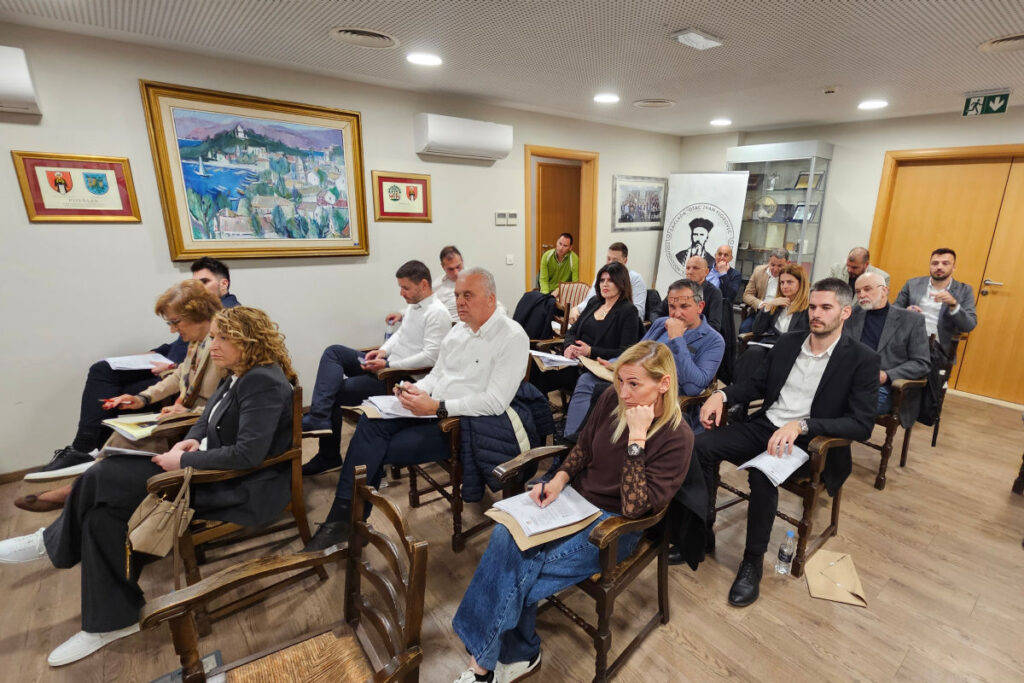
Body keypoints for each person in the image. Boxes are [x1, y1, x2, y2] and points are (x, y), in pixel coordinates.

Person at [0, 306, 297, 667]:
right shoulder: (238, 373)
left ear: (248, 341)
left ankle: (50, 544)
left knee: (102, 476)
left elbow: (249, 455)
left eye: (222, 338)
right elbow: (206, 420)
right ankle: (112, 622)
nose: (213, 345)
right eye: (213, 337)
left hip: (241, 486)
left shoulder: (261, 380)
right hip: (209, 470)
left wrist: (182, 462)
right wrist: (188, 441)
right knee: (100, 516)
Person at [450, 341, 692, 683]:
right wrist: (558, 479)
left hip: (614, 526)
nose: (624, 392)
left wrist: (637, 439)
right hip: (575, 502)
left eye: (634, 384)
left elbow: (634, 508)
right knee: (506, 533)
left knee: (517, 567)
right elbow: (583, 448)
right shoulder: (611, 399)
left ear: (664, 383)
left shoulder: (678, 436)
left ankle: (488, 664)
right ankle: (513, 654)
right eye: (620, 381)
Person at [303, 268, 529, 550]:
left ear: (491, 299)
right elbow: (437, 374)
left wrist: (438, 406)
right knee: (370, 423)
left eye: (468, 295)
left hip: (463, 425)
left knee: (375, 447)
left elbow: (495, 402)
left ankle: (348, 523)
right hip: (433, 409)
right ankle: (345, 520)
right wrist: (416, 389)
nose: (459, 302)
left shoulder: (511, 336)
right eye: (457, 295)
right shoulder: (458, 331)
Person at [691, 279, 878, 607]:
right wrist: (721, 395)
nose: (816, 314)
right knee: (700, 445)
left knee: (763, 475)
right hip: (766, 425)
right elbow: (756, 385)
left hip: (808, 440)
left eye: (826, 308)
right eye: (813, 307)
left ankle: (752, 563)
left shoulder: (862, 358)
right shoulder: (790, 342)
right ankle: (702, 531)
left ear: (845, 312)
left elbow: (862, 425)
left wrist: (804, 424)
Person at [16, 280, 228, 512]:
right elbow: (180, 375)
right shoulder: (198, 341)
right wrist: (142, 398)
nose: (172, 330)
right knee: (124, 433)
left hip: (202, 423)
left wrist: (190, 411)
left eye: (175, 322)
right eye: (170, 323)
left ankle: (78, 490)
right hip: (188, 416)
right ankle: (83, 488)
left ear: (198, 313)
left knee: (129, 440)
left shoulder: (221, 344)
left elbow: (229, 400)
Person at [301, 260, 451, 476]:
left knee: (333, 392)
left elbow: (430, 357)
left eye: (406, 288)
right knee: (334, 352)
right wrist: (381, 351)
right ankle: (319, 418)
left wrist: (388, 364)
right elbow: (400, 335)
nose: (401, 293)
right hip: (386, 364)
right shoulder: (414, 306)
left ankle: (328, 456)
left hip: (399, 377)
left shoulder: (437, 313)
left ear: (424, 285)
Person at [562, 279, 724, 439]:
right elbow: (638, 352)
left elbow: (694, 387)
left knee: (606, 394)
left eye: (684, 306)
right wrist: (615, 363)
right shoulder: (661, 324)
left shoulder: (713, 340)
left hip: (664, 393)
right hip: (635, 380)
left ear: (700, 307)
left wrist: (677, 340)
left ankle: (589, 440)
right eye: (672, 307)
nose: (676, 314)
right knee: (588, 380)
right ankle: (572, 442)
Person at [531, 261, 641, 400]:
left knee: (543, 377)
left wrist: (590, 351)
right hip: (574, 361)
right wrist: (569, 347)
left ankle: (542, 410)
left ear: (622, 283)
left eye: (611, 280)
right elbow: (571, 332)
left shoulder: (628, 311)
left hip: (595, 367)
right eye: (602, 280)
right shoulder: (595, 302)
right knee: (533, 368)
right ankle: (538, 410)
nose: (605, 284)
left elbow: (626, 352)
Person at [849, 272, 930, 415]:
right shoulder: (850, 315)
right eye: (858, 291)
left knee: (852, 406)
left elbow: (921, 363)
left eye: (867, 289)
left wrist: (886, 375)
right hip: (849, 379)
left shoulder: (911, 320)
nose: (861, 295)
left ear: (884, 291)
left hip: (883, 386)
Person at [893, 248, 977, 363]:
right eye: (935, 263)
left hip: (937, 349)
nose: (939, 267)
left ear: (954, 267)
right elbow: (893, 312)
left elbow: (969, 326)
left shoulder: (964, 290)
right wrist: (906, 312)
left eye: (945, 263)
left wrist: (953, 304)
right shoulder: (912, 284)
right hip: (908, 340)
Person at [732, 264, 811, 385]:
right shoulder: (777, 304)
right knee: (753, 353)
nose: (784, 286)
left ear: (801, 283)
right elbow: (757, 330)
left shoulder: (808, 308)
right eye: (782, 282)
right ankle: (740, 393)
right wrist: (769, 306)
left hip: (792, 349)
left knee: (768, 361)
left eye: (790, 282)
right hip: (771, 345)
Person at [570, 242, 647, 322]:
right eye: (608, 259)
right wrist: (577, 309)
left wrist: (606, 315)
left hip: (618, 321)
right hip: (597, 318)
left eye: (615, 260)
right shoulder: (603, 275)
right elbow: (590, 300)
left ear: (625, 260)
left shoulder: (635, 279)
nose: (610, 263)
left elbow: (638, 313)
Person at [654, 256, 723, 333]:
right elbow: (656, 313)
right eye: (687, 268)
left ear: (706, 272)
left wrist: (686, 330)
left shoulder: (714, 293)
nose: (690, 272)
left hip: (697, 336)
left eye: (695, 268)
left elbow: (714, 325)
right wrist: (666, 325)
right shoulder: (678, 289)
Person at [707, 244, 743, 382]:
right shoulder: (706, 270)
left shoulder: (734, 275)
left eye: (726, 255)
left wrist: (723, 274)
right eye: (719, 254)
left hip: (721, 313)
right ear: (715, 256)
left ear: (731, 258)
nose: (722, 257)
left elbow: (730, 296)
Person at [740, 248, 789, 333]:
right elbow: (747, 295)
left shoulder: (791, 276)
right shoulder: (759, 271)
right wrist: (761, 304)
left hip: (780, 314)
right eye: (772, 265)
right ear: (769, 261)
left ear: (787, 263)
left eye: (780, 266)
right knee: (744, 329)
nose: (775, 269)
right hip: (760, 312)